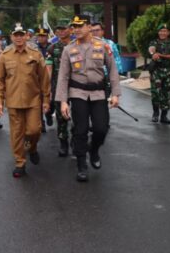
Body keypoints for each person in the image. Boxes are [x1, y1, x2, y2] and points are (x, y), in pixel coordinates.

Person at [56, 15, 121, 182]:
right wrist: (63, 101)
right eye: (74, 26)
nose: (76, 29)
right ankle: (81, 165)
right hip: (77, 93)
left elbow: (112, 70)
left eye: (80, 26)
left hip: (98, 93)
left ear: (89, 27)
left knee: (101, 128)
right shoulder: (68, 49)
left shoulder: (103, 46)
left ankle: (93, 149)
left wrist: (115, 94)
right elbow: (63, 77)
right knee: (81, 129)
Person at [0, 24, 50, 178]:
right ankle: (20, 163)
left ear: (26, 36)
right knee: (17, 133)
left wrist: (46, 99)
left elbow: (44, 78)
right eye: (16, 35)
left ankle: (32, 148)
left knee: (34, 130)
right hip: (13, 101)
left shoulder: (35, 54)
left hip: (33, 100)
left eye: (21, 35)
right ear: (11, 37)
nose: (19, 38)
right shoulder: (5, 56)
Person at [46, 20, 73, 156]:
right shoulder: (52, 48)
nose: (61, 32)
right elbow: (49, 69)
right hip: (59, 87)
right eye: (59, 29)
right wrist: (49, 88)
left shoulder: (77, 46)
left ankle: (76, 140)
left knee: (77, 116)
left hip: (76, 87)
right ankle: (63, 142)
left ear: (70, 30)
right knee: (61, 117)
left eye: (64, 29)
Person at [147, 24, 170, 124]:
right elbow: (151, 49)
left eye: (165, 31)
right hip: (156, 71)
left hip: (168, 72)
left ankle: (164, 116)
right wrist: (153, 54)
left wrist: (160, 55)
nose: (162, 33)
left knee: (166, 94)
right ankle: (155, 113)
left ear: (168, 33)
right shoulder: (154, 42)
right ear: (158, 32)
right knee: (155, 93)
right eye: (161, 31)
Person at [36, 28, 51, 132]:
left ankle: (49, 113)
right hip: (38, 79)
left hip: (51, 78)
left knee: (51, 101)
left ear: (47, 37)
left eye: (43, 36)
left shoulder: (52, 47)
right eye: (39, 36)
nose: (41, 38)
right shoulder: (34, 48)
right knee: (38, 102)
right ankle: (41, 122)